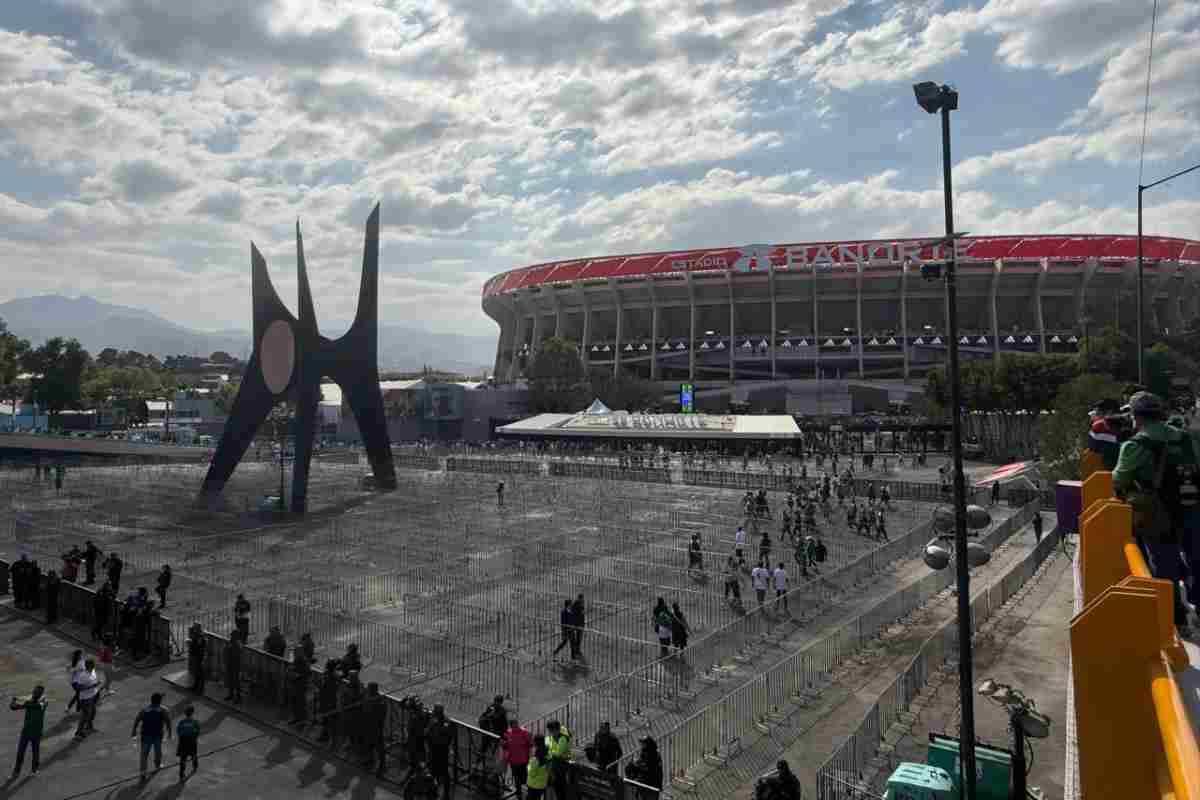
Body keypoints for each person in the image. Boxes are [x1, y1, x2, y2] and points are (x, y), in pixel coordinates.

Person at [1113, 391, 1199, 632]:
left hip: (1157, 514)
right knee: (1196, 558)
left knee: (1164, 567)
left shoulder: (1135, 445)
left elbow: (1117, 480)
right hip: (1192, 508)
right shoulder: (1186, 438)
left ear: (1136, 417)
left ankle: (1177, 620)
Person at [9, 685, 48, 778]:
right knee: (24, 752)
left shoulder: (42, 703)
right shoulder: (33, 700)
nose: (34, 693)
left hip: (34, 732)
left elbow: (17, 707)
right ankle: (19, 771)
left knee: (32, 752)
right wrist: (15, 701)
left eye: (35, 692)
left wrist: (17, 702)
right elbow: (15, 706)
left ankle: (30, 770)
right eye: (34, 692)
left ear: (40, 694)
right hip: (27, 732)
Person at [131, 692, 172, 779]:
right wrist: (170, 733)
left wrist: (134, 731)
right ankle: (157, 765)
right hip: (157, 736)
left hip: (146, 736)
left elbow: (137, 720)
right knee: (158, 752)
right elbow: (168, 722)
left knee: (144, 755)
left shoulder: (144, 709)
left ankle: (143, 773)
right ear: (160, 701)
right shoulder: (163, 710)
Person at [426, 704, 455, 800]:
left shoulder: (446, 722)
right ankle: (433, 791)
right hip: (433, 750)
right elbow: (428, 733)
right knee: (432, 771)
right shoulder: (433, 720)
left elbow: (446, 736)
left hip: (441, 751)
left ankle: (446, 794)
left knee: (444, 773)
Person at [501, 717, 533, 799]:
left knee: (524, 777)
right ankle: (519, 793)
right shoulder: (508, 733)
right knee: (517, 778)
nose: (516, 726)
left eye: (516, 724)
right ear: (511, 726)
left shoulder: (524, 732)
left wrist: (529, 755)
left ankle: (526, 792)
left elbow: (530, 744)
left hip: (523, 760)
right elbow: (504, 745)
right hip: (514, 760)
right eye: (514, 725)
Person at [361, 682, 387, 774]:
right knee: (368, 744)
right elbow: (364, 707)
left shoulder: (380, 700)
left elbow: (382, 714)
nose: (368, 690)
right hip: (368, 725)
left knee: (379, 747)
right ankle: (370, 760)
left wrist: (375, 704)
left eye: (370, 689)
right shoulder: (367, 697)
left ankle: (382, 765)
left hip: (376, 726)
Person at [545, 720, 572, 800]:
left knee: (560, 788)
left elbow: (558, 753)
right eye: (549, 730)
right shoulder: (552, 737)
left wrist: (550, 752)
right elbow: (550, 750)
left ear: (557, 729)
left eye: (551, 730)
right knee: (552, 786)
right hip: (553, 766)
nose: (550, 732)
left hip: (561, 766)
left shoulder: (562, 738)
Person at [74, 659, 100, 739]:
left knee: (93, 712)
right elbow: (79, 688)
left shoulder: (93, 671)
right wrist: (92, 686)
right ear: (87, 666)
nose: (93, 667)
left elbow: (94, 681)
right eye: (92, 665)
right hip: (85, 699)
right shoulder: (83, 675)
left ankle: (89, 726)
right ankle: (78, 733)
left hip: (92, 696)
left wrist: (96, 687)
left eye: (93, 665)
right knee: (84, 716)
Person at [176, 705, 200, 781]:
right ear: (192, 713)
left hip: (183, 742)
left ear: (185, 713)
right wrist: (194, 736)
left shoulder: (182, 722)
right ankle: (195, 765)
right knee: (193, 754)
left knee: (183, 758)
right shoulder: (195, 722)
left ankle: (181, 774)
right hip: (192, 741)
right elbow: (197, 731)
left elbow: (179, 731)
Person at [187, 623, 206, 694]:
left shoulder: (200, 636)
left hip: (198, 656)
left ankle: (200, 689)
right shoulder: (197, 635)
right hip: (196, 655)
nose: (193, 629)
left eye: (194, 628)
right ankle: (195, 686)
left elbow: (199, 646)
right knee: (196, 672)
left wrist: (191, 643)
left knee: (200, 672)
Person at [224, 634, 243, 704]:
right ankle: (231, 694)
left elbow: (239, 655)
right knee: (230, 680)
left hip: (236, 666)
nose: (231, 637)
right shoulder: (230, 643)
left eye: (233, 636)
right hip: (230, 664)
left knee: (236, 682)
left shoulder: (238, 644)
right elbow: (227, 651)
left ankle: (238, 697)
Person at [571, 593, 586, 659]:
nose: (582, 600)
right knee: (577, 637)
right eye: (582, 598)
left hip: (579, 623)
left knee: (578, 638)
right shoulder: (577, 604)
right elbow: (579, 613)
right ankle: (576, 650)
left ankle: (577, 650)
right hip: (578, 623)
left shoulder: (580, 603)